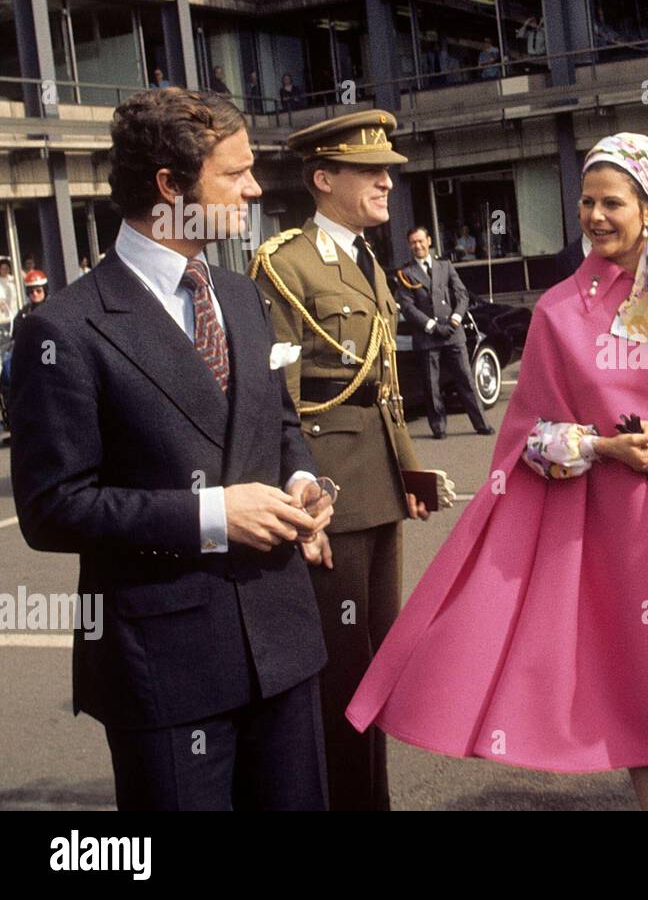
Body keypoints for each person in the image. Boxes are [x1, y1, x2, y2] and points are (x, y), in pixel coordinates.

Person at [346, 132, 648, 810]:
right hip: (614, 531)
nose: (594, 216)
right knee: (639, 674)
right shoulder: (557, 312)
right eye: (585, 202)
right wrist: (605, 447)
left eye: (612, 203)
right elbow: (529, 441)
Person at [9, 88, 333, 810]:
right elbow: (53, 508)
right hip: (166, 672)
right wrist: (212, 514)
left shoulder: (240, 295)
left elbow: (277, 424)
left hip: (282, 646)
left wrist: (305, 479)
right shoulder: (65, 328)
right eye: (236, 173)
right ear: (171, 187)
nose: (255, 188)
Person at [248, 109, 450, 811]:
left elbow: (385, 386)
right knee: (342, 675)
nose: (386, 182)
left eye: (388, 171)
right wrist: (304, 500)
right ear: (323, 177)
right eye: (370, 171)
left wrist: (409, 470)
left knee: (379, 662)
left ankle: (371, 798)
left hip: (380, 488)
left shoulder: (365, 260)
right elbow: (281, 397)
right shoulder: (286, 263)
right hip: (332, 495)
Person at [395, 226, 493, 439]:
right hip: (427, 337)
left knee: (466, 380)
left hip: (453, 333)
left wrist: (456, 319)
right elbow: (407, 306)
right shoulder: (406, 273)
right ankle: (438, 428)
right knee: (431, 386)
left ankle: (481, 423)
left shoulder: (444, 265)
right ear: (409, 245)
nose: (417, 246)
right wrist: (431, 325)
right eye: (413, 242)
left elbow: (462, 294)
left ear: (429, 241)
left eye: (421, 241)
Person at [0, 258, 17, 324]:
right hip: (3, 316)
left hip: (15, 312)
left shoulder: (13, 279)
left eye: (6, 268)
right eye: (2, 268)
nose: (4, 270)